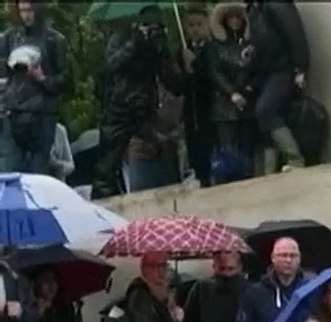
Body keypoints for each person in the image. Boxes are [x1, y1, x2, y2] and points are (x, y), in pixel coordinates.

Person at [92, 5, 182, 199]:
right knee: (106, 165)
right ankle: (103, 202)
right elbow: (111, 66)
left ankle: (173, 193)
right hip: (118, 108)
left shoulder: (159, 44)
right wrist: (136, 43)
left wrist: (171, 58)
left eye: (157, 27)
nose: (152, 31)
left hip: (144, 108)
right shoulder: (122, 39)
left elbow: (174, 84)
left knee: (164, 146)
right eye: (148, 27)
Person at [0, 0, 69, 175]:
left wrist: (43, 78)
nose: (26, 15)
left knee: (39, 174)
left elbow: (66, 81)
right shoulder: (9, 39)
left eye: (30, 10)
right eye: (22, 10)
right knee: (11, 173)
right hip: (14, 112)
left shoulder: (54, 40)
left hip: (42, 116)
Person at [244, 0, 310, 171]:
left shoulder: (275, 5)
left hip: (283, 69)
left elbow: (295, 34)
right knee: (268, 115)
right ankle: (274, 165)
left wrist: (300, 67)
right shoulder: (256, 9)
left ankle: (295, 159)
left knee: (266, 110)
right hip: (270, 72)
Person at [206, 2, 255, 183]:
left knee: (248, 151)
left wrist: (250, 86)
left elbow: (256, 68)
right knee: (229, 152)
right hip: (224, 107)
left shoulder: (250, 45)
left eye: (238, 17)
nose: (235, 21)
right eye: (231, 17)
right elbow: (215, 72)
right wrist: (231, 92)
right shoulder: (214, 46)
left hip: (248, 103)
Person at [178, 5, 215, 186]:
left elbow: (213, 77)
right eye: (191, 25)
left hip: (211, 108)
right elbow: (178, 86)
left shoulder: (214, 47)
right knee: (195, 151)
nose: (195, 29)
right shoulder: (182, 51)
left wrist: (195, 66)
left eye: (199, 24)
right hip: (191, 112)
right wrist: (185, 69)